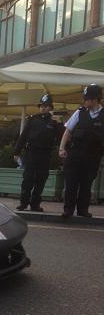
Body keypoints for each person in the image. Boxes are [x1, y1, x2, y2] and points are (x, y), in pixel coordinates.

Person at [59, 84, 104, 218]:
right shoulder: (80, 112)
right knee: (71, 182)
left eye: (87, 99)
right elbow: (68, 131)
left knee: (86, 183)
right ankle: (68, 210)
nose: (84, 101)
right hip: (75, 154)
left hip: (92, 156)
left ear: (95, 99)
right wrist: (61, 148)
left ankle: (83, 210)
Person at [13, 94, 63, 212]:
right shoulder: (32, 119)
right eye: (42, 106)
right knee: (28, 179)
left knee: (41, 180)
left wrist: (59, 123)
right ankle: (23, 203)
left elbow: (62, 136)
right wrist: (16, 151)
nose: (43, 108)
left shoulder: (54, 122)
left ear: (50, 108)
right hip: (31, 153)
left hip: (45, 154)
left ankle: (35, 204)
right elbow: (23, 136)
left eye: (46, 106)